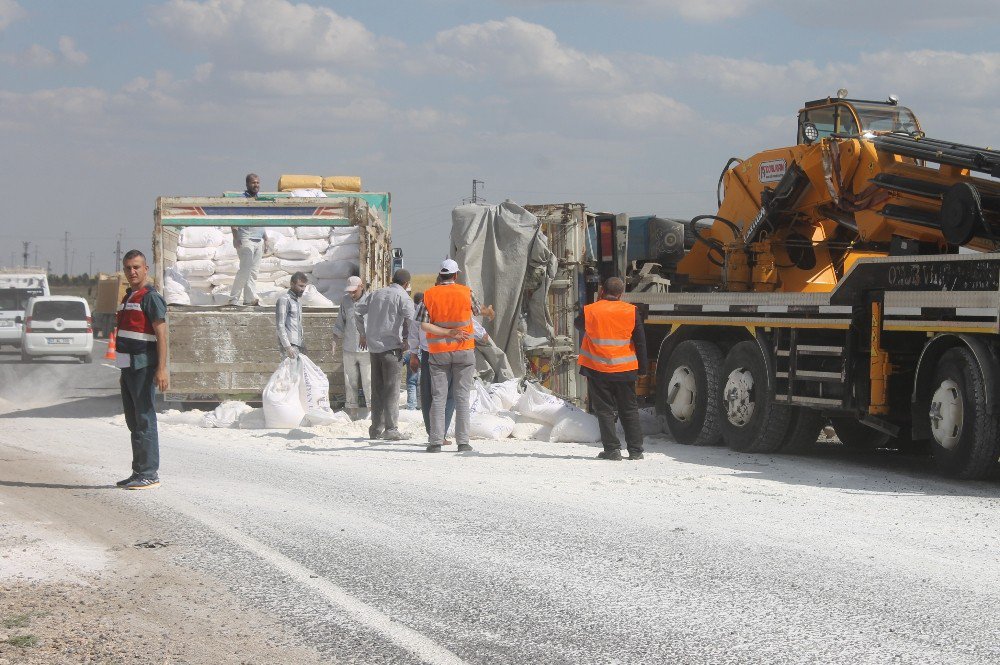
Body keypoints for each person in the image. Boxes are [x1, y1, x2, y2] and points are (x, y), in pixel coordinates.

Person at [419, 259, 494, 453]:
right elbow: (479, 311)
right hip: (464, 351)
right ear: (455, 275)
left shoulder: (428, 295)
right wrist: (489, 311)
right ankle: (463, 442)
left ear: (440, 275)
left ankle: (435, 442)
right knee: (462, 397)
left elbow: (424, 325)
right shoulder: (466, 292)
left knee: (439, 397)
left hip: (438, 353)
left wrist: (446, 333)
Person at [575, 276, 648, 461]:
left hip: (597, 369)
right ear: (621, 294)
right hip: (625, 369)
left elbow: (578, 325)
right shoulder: (631, 311)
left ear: (601, 291)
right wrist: (643, 369)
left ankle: (612, 450)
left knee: (605, 410)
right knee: (629, 409)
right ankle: (636, 450)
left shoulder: (590, 310)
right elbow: (640, 341)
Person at [114, 250, 168, 490]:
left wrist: (162, 369)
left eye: (136, 267)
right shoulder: (129, 296)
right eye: (128, 268)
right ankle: (138, 471)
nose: (132, 272)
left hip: (144, 366)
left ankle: (149, 473)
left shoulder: (150, 297)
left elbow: (162, 334)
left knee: (145, 419)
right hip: (128, 368)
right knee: (133, 421)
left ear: (146, 269)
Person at [355, 269, 415, 441]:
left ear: (392, 280)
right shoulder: (403, 297)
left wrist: (363, 334)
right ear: (406, 284)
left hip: (374, 349)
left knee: (378, 389)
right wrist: (407, 340)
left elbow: (357, 312)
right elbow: (411, 320)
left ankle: (375, 429)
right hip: (391, 348)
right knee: (392, 390)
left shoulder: (376, 294)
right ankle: (391, 429)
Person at [332, 275, 372, 421]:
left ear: (361, 287)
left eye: (354, 291)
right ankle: (352, 411)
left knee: (368, 381)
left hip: (366, 350)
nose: (351, 294)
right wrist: (335, 340)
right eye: (349, 291)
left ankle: (370, 410)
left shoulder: (370, 301)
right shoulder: (345, 301)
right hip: (349, 347)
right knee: (350, 381)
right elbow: (340, 321)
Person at [229, 173, 263, 306]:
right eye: (253, 183)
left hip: (258, 238)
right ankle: (233, 298)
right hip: (246, 237)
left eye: (258, 183)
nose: (256, 185)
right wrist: (235, 236)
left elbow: (261, 220)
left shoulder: (260, 200)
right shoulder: (241, 199)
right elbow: (232, 218)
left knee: (253, 271)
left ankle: (249, 299)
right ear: (247, 184)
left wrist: (265, 237)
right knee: (245, 270)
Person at [276, 272, 308, 359]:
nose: (303, 289)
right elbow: (280, 325)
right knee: (289, 372)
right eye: (300, 286)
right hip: (290, 346)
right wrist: (287, 347)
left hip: (298, 345)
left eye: (304, 286)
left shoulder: (298, 302)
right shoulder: (284, 300)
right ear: (292, 284)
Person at [403, 292, 423, 410]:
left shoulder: (408, 311)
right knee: (419, 380)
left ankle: (411, 405)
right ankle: (420, 405)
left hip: (407, 349)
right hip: (418, 349)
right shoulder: (422, 312)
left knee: (411, 381)